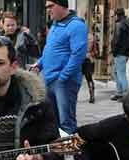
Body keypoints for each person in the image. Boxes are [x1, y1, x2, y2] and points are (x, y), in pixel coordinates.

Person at [33, 0, 87, 135]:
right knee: (52, 119)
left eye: (51, 6)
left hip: (64, 81)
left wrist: (63, 77)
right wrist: (39, 64)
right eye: (46, 7)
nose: (48, 10)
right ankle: (57, 152)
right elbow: (50, 49)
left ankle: (71, 152)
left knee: (66, 121)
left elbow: (78, 55)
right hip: (50, 79)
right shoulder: (56, 24)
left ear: (62, 5)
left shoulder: (76, 25)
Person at [110, 8, 129, 100]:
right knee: (116, 72)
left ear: (117, 15)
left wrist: (114, 51)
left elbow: (117, 39)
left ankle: (126, 95)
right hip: (125, 52)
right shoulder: (128, 23)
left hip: (120, 52)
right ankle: (119, 92)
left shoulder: (119, 24)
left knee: (121, 73)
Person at [82, 32, 99, 103]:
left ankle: (73, 96)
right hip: (89, 59)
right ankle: (92, 96)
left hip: (77, 59)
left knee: (75, 80)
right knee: (89, 78)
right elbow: (96, 51)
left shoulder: (76, 35)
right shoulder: (91, 37)